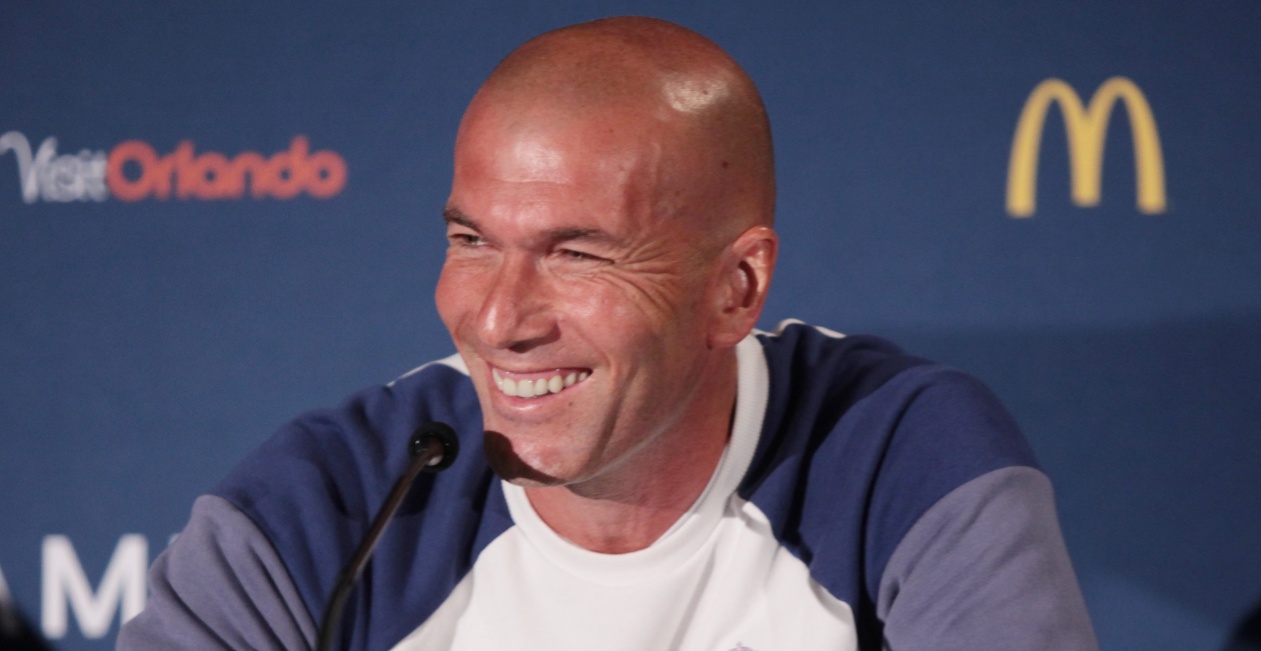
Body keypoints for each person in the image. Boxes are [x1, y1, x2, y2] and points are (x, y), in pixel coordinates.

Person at [118, 16, 1097, 651]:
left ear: (735, 290)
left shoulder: (901, 457)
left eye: (577, 254)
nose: (497, 319)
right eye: (471, 241)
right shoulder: (332, 509)